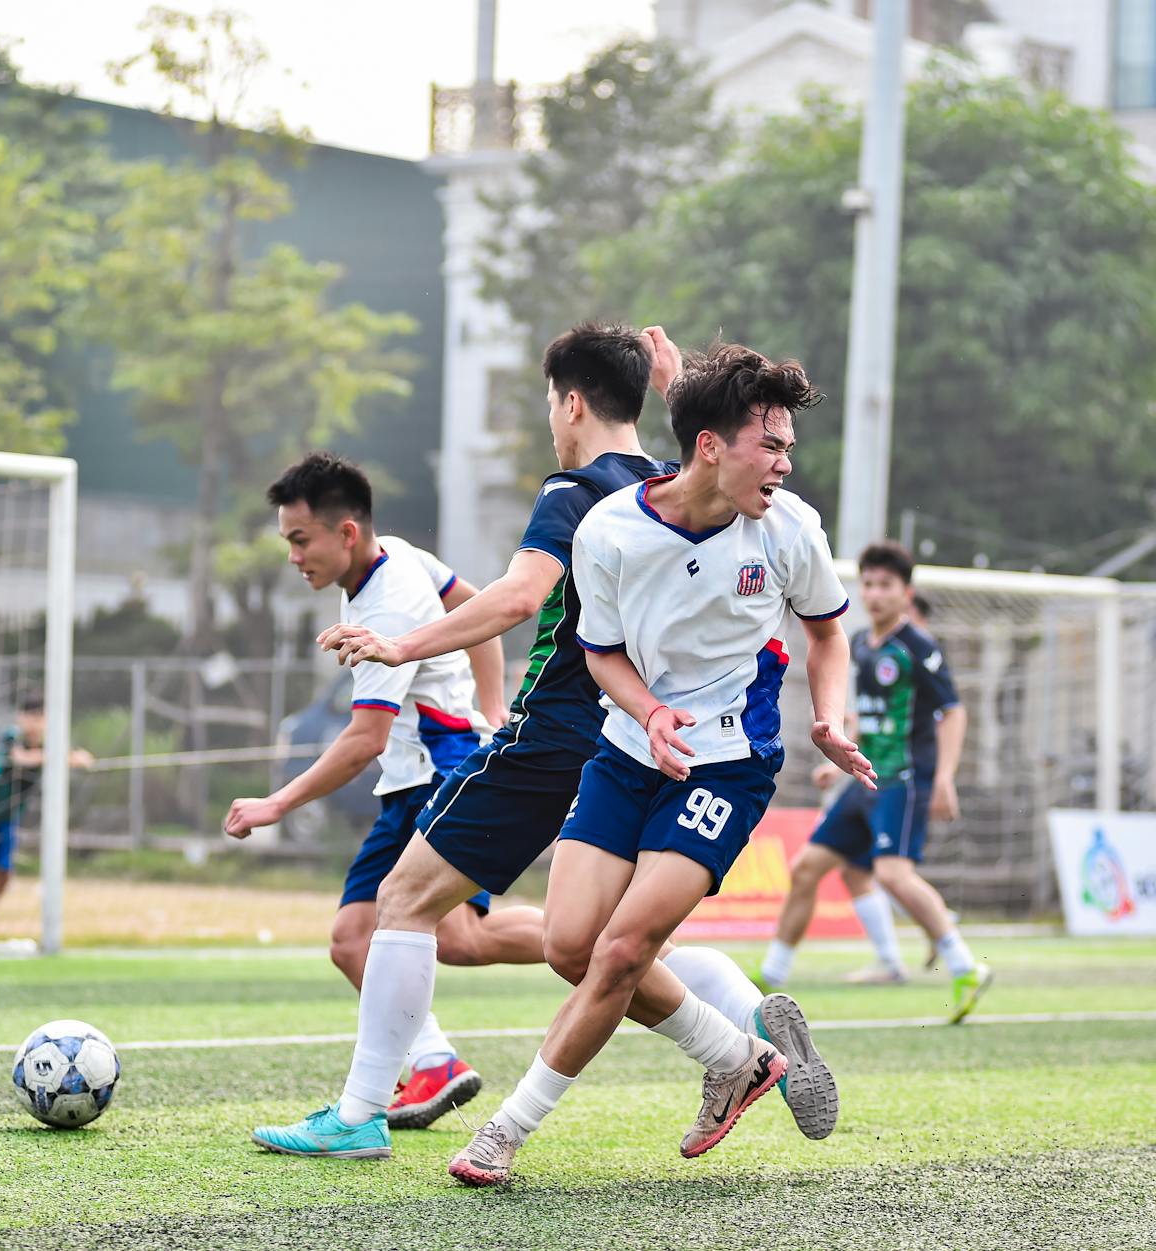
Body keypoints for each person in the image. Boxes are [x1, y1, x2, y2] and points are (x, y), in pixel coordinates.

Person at [267, 323, 831, 1165]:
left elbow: (515, 597)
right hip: (640, 734)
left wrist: (403, 646)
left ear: (570, 403)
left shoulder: (576, 494)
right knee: (610, 942)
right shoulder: (670, 477)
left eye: (548, 404)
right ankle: (744, 1019)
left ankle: (360, 1111)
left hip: (573, 729)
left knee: (406, 901)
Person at [446, 339, 873, 1187]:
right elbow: (600, 652)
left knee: (621, 949)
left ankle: (504, 1131)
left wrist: (829, 715)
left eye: (790, 446)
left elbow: (826, 632)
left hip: (728, 765)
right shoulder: (610, 531)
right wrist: (648, 712)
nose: (787, 463)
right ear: (710, 446)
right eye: (773, 445)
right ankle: (740, 1055)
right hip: (626, 751)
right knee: (570, 944)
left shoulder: (790, 531)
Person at [224, 451, 546, 1138]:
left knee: (461, 937)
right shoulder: (396, 556)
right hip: (409, 784)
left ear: (344, 532)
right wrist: (492, 703)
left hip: (438, 773)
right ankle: (433, 1061)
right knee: (352, 941)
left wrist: (276, 803)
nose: (291, 555)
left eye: (298, 539)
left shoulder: (389, 601)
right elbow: (478, 610)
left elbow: (364, 738)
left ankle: (609, 941)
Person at [756, 541, 990, 1017]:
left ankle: (966, 966)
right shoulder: (861, 643)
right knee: (808, 868)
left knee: (892, 874)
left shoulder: (917, 647)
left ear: (906, 592)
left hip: (903, 779)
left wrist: (944, 776)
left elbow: (953, 712)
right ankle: (770, 977)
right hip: (864, 778)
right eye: (868, 584)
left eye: (886, 585)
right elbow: (866, 713)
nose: (875, 594)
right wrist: (838, 754)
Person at [0, 690, 95, 936]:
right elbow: (23, 759)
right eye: (30, 716)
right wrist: (64, 758)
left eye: (40, 717)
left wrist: (77, 757)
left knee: (4, 874)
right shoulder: (13, 736)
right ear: (21, 717)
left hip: (9, 817)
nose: (34, 722)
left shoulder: (51, 742)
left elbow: (76, 757)